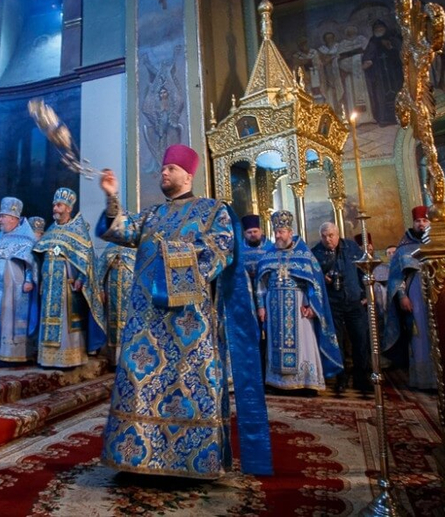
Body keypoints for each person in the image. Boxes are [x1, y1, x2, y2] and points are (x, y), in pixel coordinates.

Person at [97, 143, 272, 479]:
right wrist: (111, 196)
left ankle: (191, 462)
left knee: (188, 388)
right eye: (162, 169)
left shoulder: (213, 211)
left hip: (190, 323)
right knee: (140, 387)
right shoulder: (152, 214)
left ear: (188, 174)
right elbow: (121, 230)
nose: (164, 173)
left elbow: (220, 251)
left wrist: (172, 255)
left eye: (170, 169)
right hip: (146, 322)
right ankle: (138, 460)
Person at [256, 210, 343, 393]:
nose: (278, 236)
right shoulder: (269, 255)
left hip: (298, 306)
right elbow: (261, 285)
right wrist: (262, 306)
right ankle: (277, 382)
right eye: (276, 232)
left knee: (303, 344)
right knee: (275, 344)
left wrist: (312, 306)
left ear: (290, 232)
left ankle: (306, 382)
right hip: (274, 307)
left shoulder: (304, 254)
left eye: (281, 232)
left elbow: (315, 283)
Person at [34, 188, 105, 368]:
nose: (55, 209)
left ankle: (69, 358)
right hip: (50, 285)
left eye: (59, 205)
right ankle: (48, 358)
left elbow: (87, 258)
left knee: (66, 324)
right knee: (48, 320)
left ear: (68, 208)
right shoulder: (51, 230)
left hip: (68, 285)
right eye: (54, 205)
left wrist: (82, 277)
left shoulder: (78, 231)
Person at [0, 197, 39, 365]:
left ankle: (9, 354)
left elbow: (32, 262)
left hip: (12, 289)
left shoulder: (26, 239)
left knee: (8, 318)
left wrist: (29, 280)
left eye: (3, 216)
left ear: (13, 218)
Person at [311, 222, 370, 394]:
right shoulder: (316, 252)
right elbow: (313, 278)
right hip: (332, 304)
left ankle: (361, 378)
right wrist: (323, 277)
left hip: (353, 301)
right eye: (324, 236)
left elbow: (363, 270)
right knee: (336, 342)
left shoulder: (351, 247)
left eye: (331, 235)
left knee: (360, 339)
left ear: (337, 235)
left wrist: (366, 294)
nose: (328, 239)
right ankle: (341, 378)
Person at [385, 205, 436, 389]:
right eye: (418, 221)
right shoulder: (404, 248)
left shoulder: (437, 242)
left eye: (424, 220)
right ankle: (424, 380)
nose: (421, 224)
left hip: (438, 291)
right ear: (413, 223)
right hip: (415, 294)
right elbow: (397, 276)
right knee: (419, 333)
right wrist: (402, 297)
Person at [96, 242, 136, 363]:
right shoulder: (111, 246)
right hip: (113, 289)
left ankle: (128, 357)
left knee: (129, 320)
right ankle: (114, 358)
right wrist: (100, 289)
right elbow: (100, 268)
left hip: (131, 290)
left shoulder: (137, 246)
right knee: (113, 321)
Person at [362, 19, 404, 127]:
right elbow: (367, 56)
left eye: (381, 28)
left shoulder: (393, 39)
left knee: (398, 94)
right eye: (377, 29)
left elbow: (401, 52)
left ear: (385, 29)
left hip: (394, 74)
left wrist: (391, 48)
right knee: (380, 97)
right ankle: (385, 119)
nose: (379, 30)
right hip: (380, 76)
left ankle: (402, 116)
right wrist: (368, 61)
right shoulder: (373, 42)